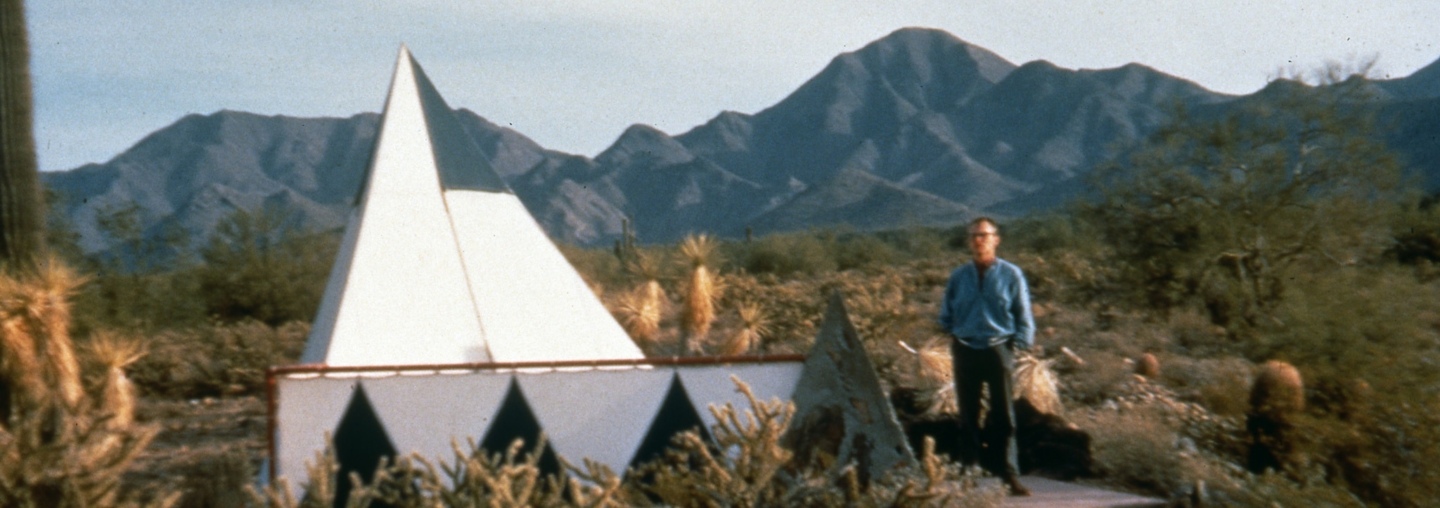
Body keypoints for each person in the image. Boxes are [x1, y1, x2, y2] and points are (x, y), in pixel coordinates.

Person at [938, 217, 1035, 496]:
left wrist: (1019, 344)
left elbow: (1023, 312)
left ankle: (1009, 474)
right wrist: (953, 331)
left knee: (1003, 414)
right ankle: (969, 473)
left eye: (983, 235)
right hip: (965, 348)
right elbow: (945, 312)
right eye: (973, 236)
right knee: (968, 415)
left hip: (998, 348)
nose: (978, 240)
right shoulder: (958, 276)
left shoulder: (1011, 275)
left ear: (996, 239)